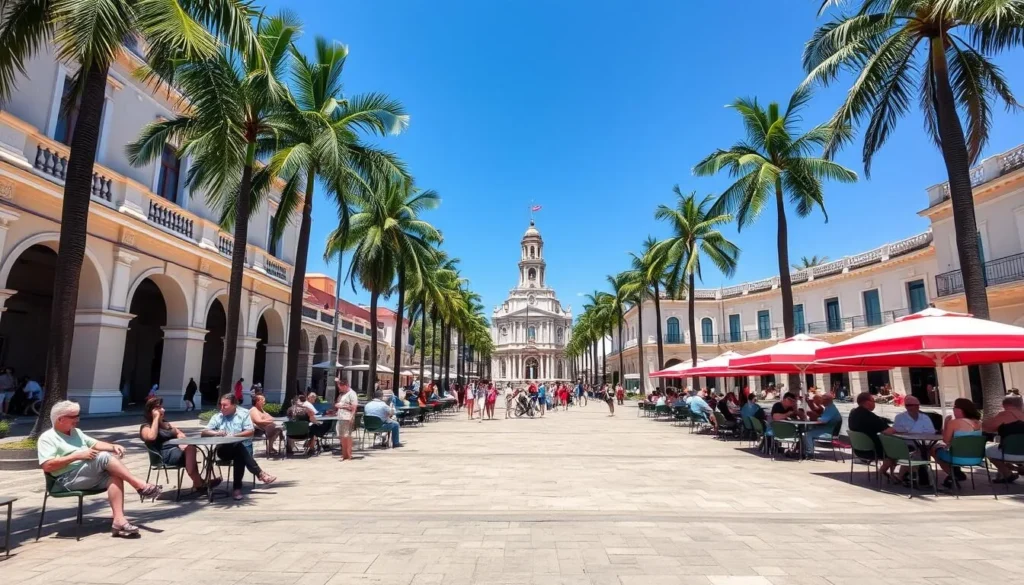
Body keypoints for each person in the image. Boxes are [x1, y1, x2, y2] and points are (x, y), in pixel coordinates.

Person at [39, 400, 161, 537]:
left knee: (114, 475)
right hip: (65, 480)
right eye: (74, 417)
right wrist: (77, 456)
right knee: (102, 457)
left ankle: (119, 521)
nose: (78, 420)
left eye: (78, 416)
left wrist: (113, 446)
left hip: (84, 476)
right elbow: (47, 465)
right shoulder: (47, 438)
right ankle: (139, 485)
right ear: (60, 419)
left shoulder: (76, 432)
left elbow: (95, 443)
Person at [202, 394, 276, 500]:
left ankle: (237, 489)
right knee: (239, 448)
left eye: (225, 405)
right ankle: (259, 474)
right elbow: (204, 432)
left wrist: (234, 436)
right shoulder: (218, 417)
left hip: (241, 448)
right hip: (223, 450)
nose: (221, 408)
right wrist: (216, 433)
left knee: (238, 452)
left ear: (233, 405)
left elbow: (250, 431)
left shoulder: (243, 414)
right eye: (221, 405)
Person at [140, 397, 216, 491]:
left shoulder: (166, 424)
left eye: (162, 407)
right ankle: (199, 484)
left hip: (177, 452)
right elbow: (151, 437)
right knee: (191, 449)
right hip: (164, 455)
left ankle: (200, 482)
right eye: (159, 408)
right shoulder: (146, 427)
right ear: (151, 411)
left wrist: (181, 441)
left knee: (190, 449)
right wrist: (155, 419)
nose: (163, 410)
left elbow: (179, 433)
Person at [931, 398, 983, 489]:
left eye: (954, 408)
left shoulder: (954, 422)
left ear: (959, 409)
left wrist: (946, 423)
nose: (953, 410)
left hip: (957, 456)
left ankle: (953, 475)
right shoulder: (978, 423)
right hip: (976, 457)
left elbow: (946, 440)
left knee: (933, 449)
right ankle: (955, 473)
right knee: (946, 449)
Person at [848, 391, 898, 479]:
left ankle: (889, 473)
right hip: (873, 449)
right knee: (898, 450)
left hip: (858, 449)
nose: (875, 404)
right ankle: (894, 474)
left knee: (894, 449)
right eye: (873, 401)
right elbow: (887, 431)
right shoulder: (869, 416)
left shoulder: (853, 413)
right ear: (867, 403)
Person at [983, 395, 1024, 483]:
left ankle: (1007, 474)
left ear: (1006, 404)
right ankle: (1019, 468)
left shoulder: (1005, 414)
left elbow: (987, 428)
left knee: (987, 450)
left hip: (1009, 452)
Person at [335, 378, 358, 461]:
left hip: (347, 417)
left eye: (340, 387)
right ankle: (344, 454)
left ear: (345, 385)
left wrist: (351, 416)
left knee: (347, 436)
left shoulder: (352, 394)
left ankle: (348, 455)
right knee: (341, 436)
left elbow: (354, 407)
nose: (339, 389)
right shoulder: (342, 394)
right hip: (340, 416)